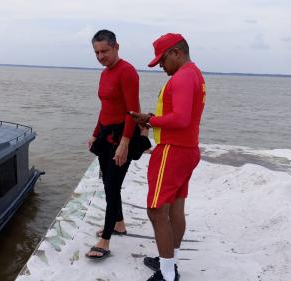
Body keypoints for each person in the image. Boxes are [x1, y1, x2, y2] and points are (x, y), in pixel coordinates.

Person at [129, 33, 206, 281]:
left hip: (172, 151)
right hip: (187, 150)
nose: (161, 66)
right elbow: (181, 115)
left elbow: (181, 119)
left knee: (156, 211)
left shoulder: (182, 77)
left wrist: (148, 120)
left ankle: (167, 274)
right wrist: (153, 117)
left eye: (162, 60)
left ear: (176, 52)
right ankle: (169, 262)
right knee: (175, 209)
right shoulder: (194, 74)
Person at [85, 29, 140, 259]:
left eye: (104, 51)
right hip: (106, 136)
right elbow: (105, 108)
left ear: (117, 47)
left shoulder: (127, 72)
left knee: (111, 186)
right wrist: (95, 134)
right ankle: (119, 224)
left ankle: (105, 240)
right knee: (109, 184)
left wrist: (125, 142)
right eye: (96, 52)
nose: (100, 56)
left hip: (122, 136)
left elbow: (133, 111)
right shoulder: (105, 73)